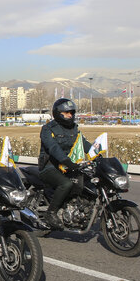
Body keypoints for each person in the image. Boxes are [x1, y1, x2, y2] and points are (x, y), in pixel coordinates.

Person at [38, 98, 92, 229]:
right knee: (66, 183)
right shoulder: (48, 129)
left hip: (69, 166)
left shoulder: (74, 129)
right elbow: (53, 148)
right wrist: (66, 161)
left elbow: (83, 144)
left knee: (89, 181)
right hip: (50, 166)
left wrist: (97, 154)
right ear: (58, 113)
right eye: (66, 112)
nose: (70, 115)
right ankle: (51, 213)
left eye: (72, 112)